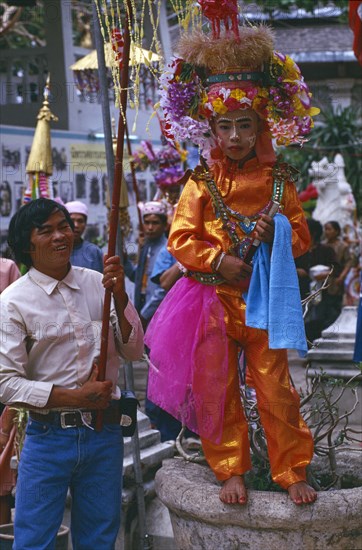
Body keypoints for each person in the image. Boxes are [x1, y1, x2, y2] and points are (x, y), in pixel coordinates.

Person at [145, 14, 320, 506]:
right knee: (216, 388)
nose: (237, 136)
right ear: (212, 130)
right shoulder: (200, 182)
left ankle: (291, 470)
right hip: (212, 300)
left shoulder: (280, 182)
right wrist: (220, 261)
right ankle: (229, 469)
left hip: (264, 299)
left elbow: (303, 239)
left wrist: (278, 234)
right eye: (226, 126)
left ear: (261, 126)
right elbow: (181, 238)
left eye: (246, 125)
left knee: (276, 387)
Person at [0, 198, 143, 548]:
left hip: (104, 433)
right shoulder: (13, 302)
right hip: (47, 437)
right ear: (26, 244)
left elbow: (134, 350)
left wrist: (121, 297)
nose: (60, 236)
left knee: (99, 538)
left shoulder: (99, 283)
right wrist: (74, 397)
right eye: (45, 231)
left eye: (64, 226)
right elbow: (6, 383)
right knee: (34, 539)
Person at [124, 200, 168, 330]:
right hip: (141, 307)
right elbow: (136, 277)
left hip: (157, 312)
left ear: (165, 225)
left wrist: (143, 315)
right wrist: (124, 260)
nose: (150, 227)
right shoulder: (146, 247)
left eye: (155, 223)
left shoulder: (167, 249)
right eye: (147, 223)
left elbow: (162, 290)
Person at [296, 219, 339, 342]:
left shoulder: (326, 250)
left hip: (321, 294)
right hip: (301, 292)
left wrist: (325, 274)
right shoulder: (298, 250)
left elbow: (336, 268)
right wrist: (297, 271)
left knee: (318, 323)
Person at [65, 200, 104, 272]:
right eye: (71, 220)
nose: (76, 225)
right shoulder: (55, 250)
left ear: (85, 224)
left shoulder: (94, 252)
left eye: (80, 221)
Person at [323, 220, 354, 310]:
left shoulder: (343, 246)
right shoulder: (323, 245)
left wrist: (341, 277)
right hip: (323, 280)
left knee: (334, 306)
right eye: (325, 229)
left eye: (329, 229)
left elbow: (349, 262)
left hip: (336, 280)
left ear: (336, 231)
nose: (326, 232)